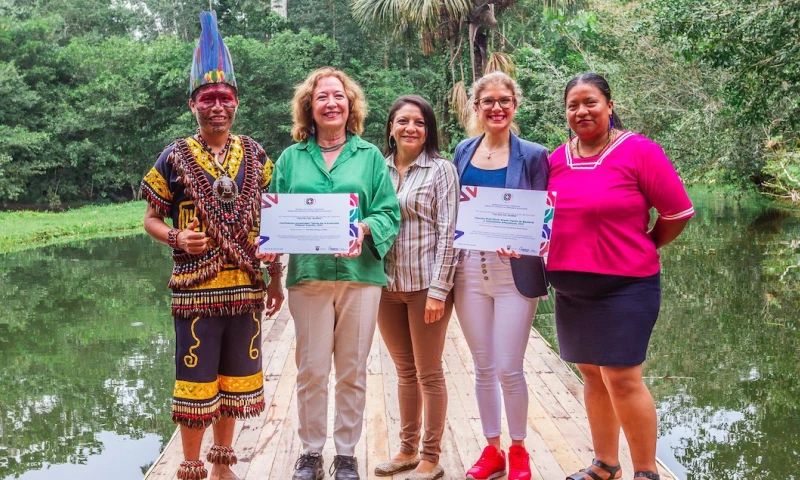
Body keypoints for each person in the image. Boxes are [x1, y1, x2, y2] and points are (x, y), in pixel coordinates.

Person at [140, 11, 282, 480]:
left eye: (224, 97)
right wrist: (177, 236)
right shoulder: (174, 155)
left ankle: (224, 465)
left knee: (235, 383)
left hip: (245, 285)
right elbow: (150, 218)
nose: (217, 105)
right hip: (194, 289)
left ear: (236, 102)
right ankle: (190, 466)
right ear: (192, 104)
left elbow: (273, 220)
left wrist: (275, 273)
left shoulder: (258, 155)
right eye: (208, 98)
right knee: (196, 384)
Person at [547, 73, 694, 480]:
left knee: (624, 379)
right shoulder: (556, 158)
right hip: (571, 290)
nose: (582, 111)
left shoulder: (639, 151)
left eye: (590, 102)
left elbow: (676, 213)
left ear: (609, 106)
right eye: (573, 105)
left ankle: (646, 472)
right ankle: (605, 464)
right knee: (591, 375)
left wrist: (642, 244)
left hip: (625, 287)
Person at [265, 67, 400, 480]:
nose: (331, 103)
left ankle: (345, 454)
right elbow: (274, 218)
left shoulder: (370, 157)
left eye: (338, 96)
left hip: (360, 274)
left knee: (353, 369)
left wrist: (362, 227)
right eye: (322, 96)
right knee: (311, 369)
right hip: (308, 274)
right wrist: (271, 268)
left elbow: (389, 213)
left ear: (349, 104)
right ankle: (310, 453)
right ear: (310, 106)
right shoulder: (290, 158)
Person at [451, 71, 549, 480]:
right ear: (476, 107)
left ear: (515, 105)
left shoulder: (534, 154)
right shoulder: (462, 151)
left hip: (515, 273)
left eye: (504, 100)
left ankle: (520, 449)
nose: (496, 107)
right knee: (483, 365)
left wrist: (525, 242)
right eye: (488, 101)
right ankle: (492, 449)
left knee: (510, 366)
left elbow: (544, 214)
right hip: (469, 269)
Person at [372, 95, 458, 480]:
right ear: (390, 126)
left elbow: (449, 233)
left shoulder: (441, 170)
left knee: (429, 373)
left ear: (429, 130)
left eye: (420, 123)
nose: (411, 128)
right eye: (403, 121)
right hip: (385, 286)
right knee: (404, 371)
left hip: (426, 285)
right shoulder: (377, 167)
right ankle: (406, 450)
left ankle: (430, 456)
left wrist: (440, 288)